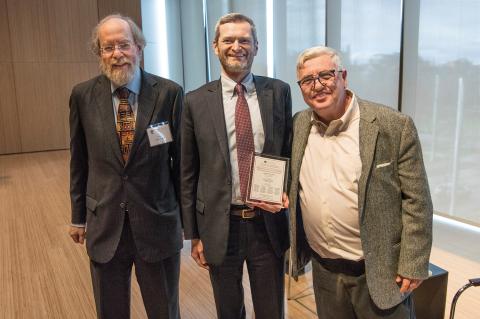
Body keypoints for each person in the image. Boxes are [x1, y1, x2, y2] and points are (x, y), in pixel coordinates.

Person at [288, 46, 433, 319]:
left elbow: (418, 201)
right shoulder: (299, 125)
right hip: (325, 272)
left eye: (325, 76)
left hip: (380, 272)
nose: (317, 86)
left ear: (343, 76)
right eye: (307, 80)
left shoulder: (392, 125)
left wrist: (413, 263)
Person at [68, 14, 183, 319]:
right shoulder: (82, 96)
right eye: (108, 47)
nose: (117, 53)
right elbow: (79, 161)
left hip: (157, 223)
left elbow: (181, 163)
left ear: (139, 48)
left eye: (124, 44)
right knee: (111, 311)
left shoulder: (169, 93)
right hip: (105, 224)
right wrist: (78, 217)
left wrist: (188, 224)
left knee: (164, 311)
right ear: (99, 54)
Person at [180, 13, 292, 319]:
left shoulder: (279, 92)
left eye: (244, 40)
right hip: (219, 225)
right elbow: (188, 172)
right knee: (228, 310)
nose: (236, 46)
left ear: (256, 46)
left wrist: (285, 193)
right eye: (228, 40)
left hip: (266, 226)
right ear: (215, 46)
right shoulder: (195, 101)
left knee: (271, 310)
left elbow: (288, 152)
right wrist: (194, 235)